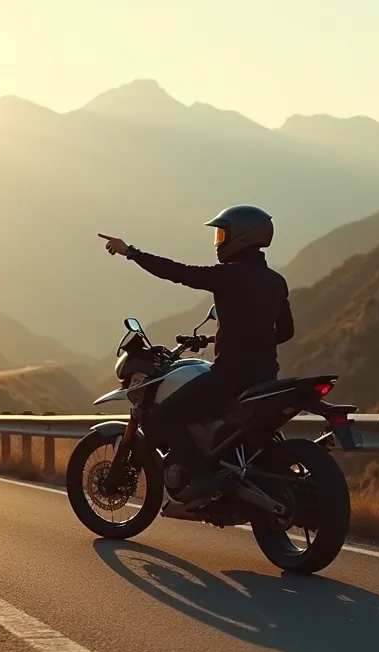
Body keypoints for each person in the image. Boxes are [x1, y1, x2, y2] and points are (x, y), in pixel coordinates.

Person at [98, 204, 294, 507]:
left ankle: (202, 478)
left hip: (230, 377)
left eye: (222, 233)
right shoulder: (275, 282)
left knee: (162, 416)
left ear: (241, 237)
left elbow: (178, 273)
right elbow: (285, 331)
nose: (219, 241)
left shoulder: (230, 276)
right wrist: (224, 336)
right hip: (266, 377)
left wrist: (131, 252)